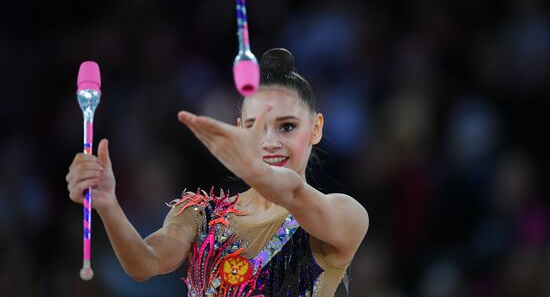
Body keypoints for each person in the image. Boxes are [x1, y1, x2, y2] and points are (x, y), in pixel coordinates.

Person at [66, 48, 369, 296]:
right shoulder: (201, 215)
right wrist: (108, 205)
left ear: (315, 128)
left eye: (287, 127)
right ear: (240, 131)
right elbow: (145, 263)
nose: (270, 143)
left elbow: (291, 190)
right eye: (256, 128)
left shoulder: (344, 216)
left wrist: (250, 166)